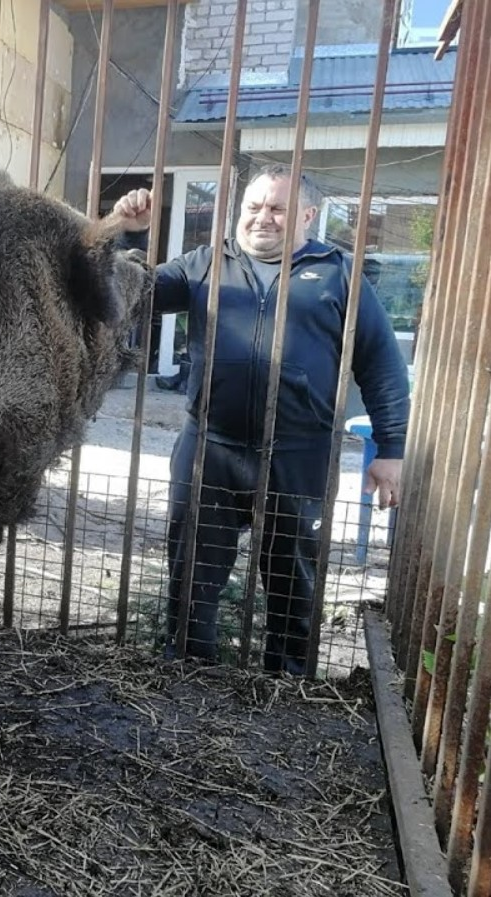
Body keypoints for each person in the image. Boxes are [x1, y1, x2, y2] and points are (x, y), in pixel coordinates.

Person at [112, 165, 410, 675]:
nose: (262, 218)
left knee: (293, 578)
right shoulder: (206, 263)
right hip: (210, 446)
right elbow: (135, 295)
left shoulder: (338, 273)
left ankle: (286, 685)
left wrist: (391, 449)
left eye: (277, 208)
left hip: (300, 454)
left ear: (308, 216)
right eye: (253, 207)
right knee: (192, 575)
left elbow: (381, 364)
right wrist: (130, 233)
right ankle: (188, 672)